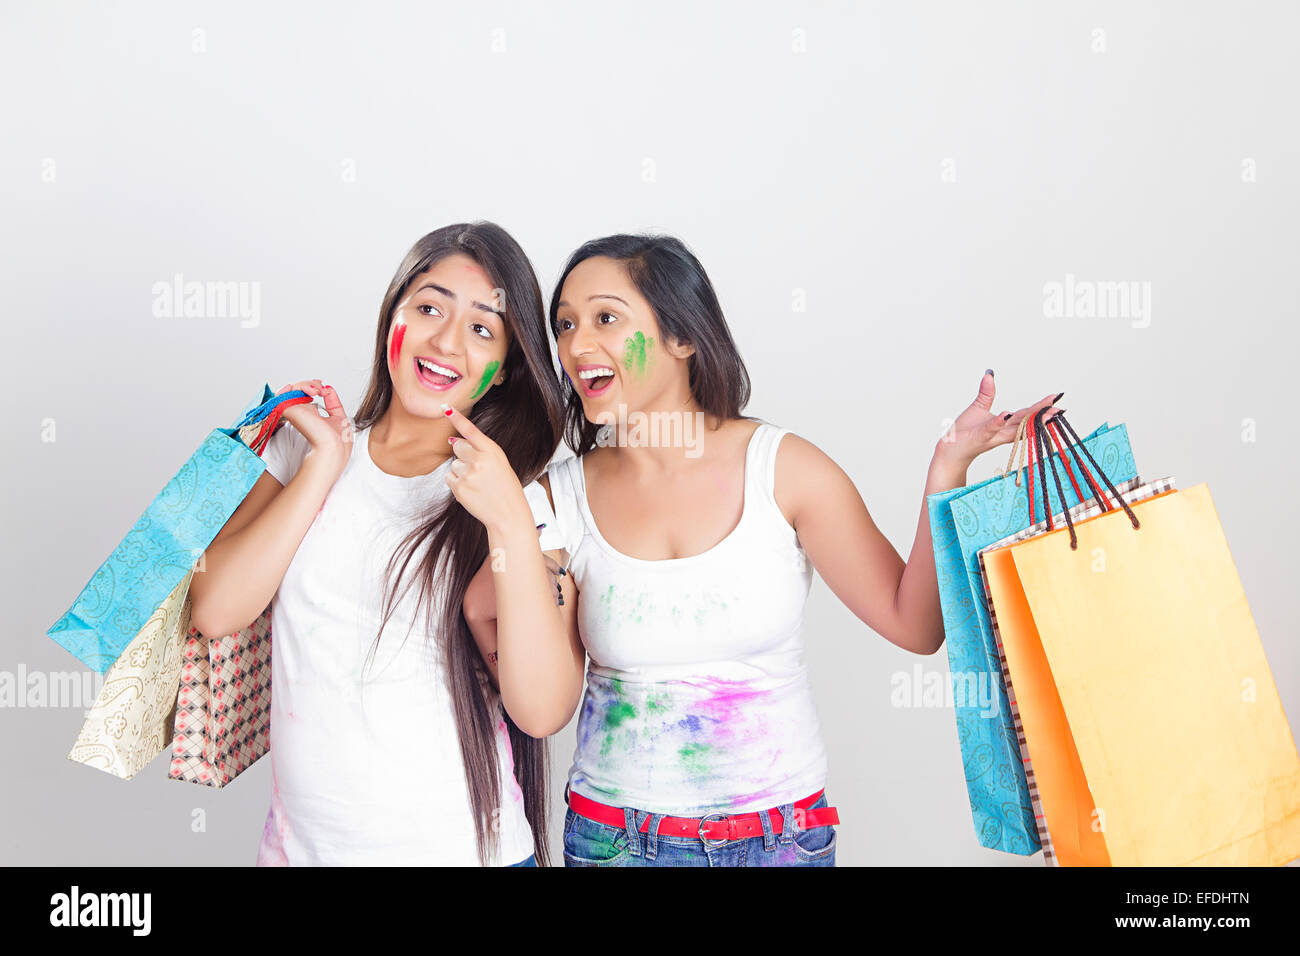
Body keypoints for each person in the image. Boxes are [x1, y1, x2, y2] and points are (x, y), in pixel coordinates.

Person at [460, 233, 1062, 866]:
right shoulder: (557, 499)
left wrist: (948, 468)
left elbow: (915, 625)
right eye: (565, 324)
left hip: (781, 843)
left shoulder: (785, 470)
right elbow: (514, 661)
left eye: (606, 317)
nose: (576, 346)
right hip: (615, 844)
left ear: (683, 336)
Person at [188, 222, 566, 866]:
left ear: (505, 369)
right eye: (427, 308)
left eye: (481, 328)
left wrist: (506, 521)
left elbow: (542, 707)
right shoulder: (299, 447)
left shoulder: (517, 493)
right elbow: (216, 610)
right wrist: (325, 463)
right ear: (392, 313)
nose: (445, 340)